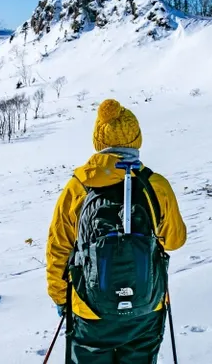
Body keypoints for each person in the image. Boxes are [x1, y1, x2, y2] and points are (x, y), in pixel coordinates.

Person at [46, 99, 187, 363]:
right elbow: (175, 240)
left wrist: (59, 297)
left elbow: (58, 249)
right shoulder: (155, 185)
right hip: (147, 305)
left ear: (99, 141)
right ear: (136, 139)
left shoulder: (79, 187)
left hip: (90, 308)